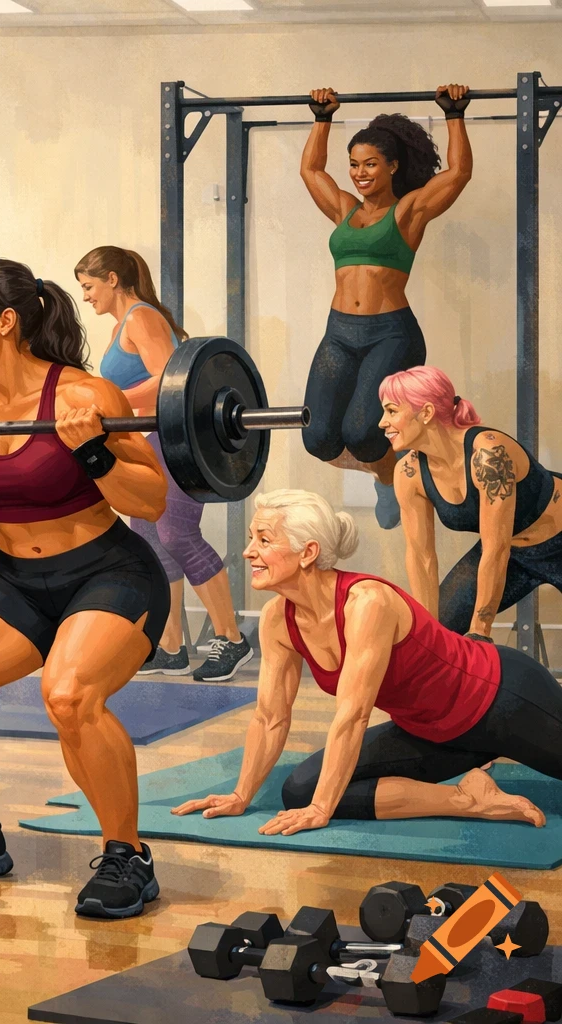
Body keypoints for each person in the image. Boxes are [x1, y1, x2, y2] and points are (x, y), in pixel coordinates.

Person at [0, 258, 170, 918]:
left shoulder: (84, 396)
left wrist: (95, 453)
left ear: (6, 322)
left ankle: (126, 855)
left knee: (70, 694)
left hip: (110, 573)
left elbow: (155, 501)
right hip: (20, 581)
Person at [173, 488, 558, 833]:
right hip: (432, 733)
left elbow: (353, 714)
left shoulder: (367, 602)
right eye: (252, 538)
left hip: (503, 701)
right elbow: (270, 717)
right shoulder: (279, 618)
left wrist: (323, 809)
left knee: (321, 798)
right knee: (300, 791)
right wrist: (241, 794)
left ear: (308, 552)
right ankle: (469, 798)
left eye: (264, 539)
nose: (248, 551)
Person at [299, 84, 472, 529]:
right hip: (339, 331)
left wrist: (454, 113)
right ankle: (387, 472)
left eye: (370, 164)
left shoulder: (409, 212)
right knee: (317, 436)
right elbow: (310, 170)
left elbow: (458, 174)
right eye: (354, 164)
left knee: (362, 433)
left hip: (390, 334)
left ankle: (385, 472)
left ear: (392, 166)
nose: (359, 173)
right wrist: (322, 119)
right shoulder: (343, 210)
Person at [75, 246, 252, 681]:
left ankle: (232, 638)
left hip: (170, 438)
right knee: (152, 537)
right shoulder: (123, 324)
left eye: (89, 286)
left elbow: (167, 382)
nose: (86, 297)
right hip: (143, 441)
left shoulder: (140, 317)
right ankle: (170, 646)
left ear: (113, 279)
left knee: (177, 532)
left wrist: (107, 401)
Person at [379, 366, 562, 638]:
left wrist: (480, 630)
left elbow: (496, 548)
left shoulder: (487, 455)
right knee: (439, 628)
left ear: (426, 413)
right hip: (512, 553)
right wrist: (428, 635)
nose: (382, 422)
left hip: (552, 540)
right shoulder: (409, 473)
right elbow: (421, 556)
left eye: (392, 411)